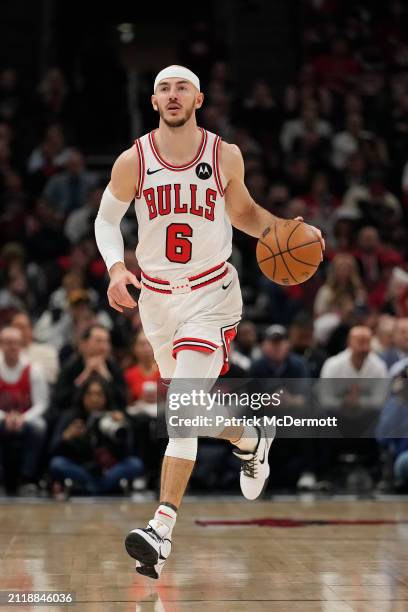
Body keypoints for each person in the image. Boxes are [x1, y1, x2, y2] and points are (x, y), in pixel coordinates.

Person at [94, 65, 324, 579]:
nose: (172, 96)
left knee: (181, 410)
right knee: (192, 414)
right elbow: (106, 220)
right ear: (153, 102)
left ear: (199, 98)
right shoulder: (134, 160)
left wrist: (285, 230)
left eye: (181, 88)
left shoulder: (225, 155)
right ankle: (249, 438)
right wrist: (114, 269)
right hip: (156, 301)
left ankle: (160, 529)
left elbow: (243, 213)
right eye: (163, 89)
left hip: (211, 294)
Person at [49, 374, 143, 496]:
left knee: (135, 463)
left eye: (99, 394)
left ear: (106, 397)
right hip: (82, 470)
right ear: (83, 396)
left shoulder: (113, 416)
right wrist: (67, 436)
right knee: (57, 463)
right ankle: (100, 488)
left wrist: (123, 428)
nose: (94, 399)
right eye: (90, 394)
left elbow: (128, 452)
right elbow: (52, 452)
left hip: (108, 471)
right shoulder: (70, 416)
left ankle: (92, 488)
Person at [0, 326, 49, 494]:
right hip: (2, 419)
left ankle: (27, 478)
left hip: (26, 419)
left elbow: (41, 404)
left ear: (21, 345)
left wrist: (22, 419)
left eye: (16, 343)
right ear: (1, 345)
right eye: (8, 343)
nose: (12, 347)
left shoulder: (33, 369)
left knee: (39, 427)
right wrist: (5, 417)